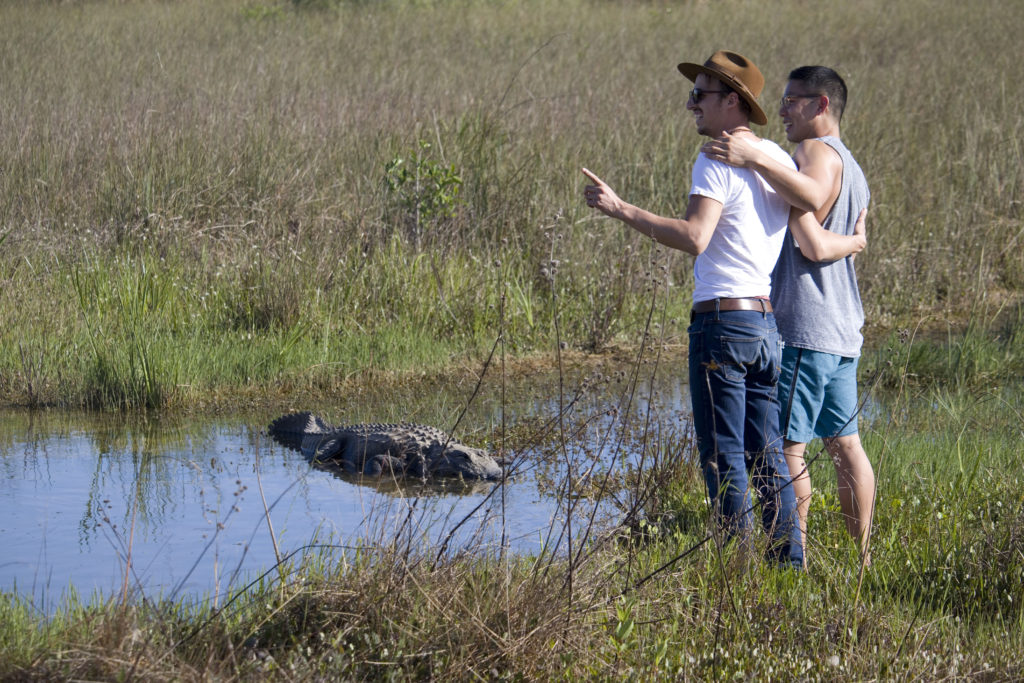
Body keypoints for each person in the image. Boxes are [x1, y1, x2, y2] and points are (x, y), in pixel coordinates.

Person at [582, 50, 817, 567]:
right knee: (767, 454)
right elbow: (812, 202)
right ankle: (788, 567)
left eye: (700, 95)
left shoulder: (716, 157)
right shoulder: (774, 155)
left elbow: (694, 237)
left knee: (724, 457)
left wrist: (620, 208)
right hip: (762, 325)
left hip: (722, 323)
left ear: (732, 101)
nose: (691, 104)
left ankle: (735, 576)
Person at [702, 65, 875, 564]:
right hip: (844, 330)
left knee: (786, 454)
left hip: (805, 327)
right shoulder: (853, 165)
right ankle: (861, 563)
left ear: (821, 105)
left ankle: (790, 564)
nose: (780, 110)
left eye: (791, 100)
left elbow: (812, 243)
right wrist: (858, 241)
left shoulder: (811, 153)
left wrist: (754, 156)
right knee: (847, 449)